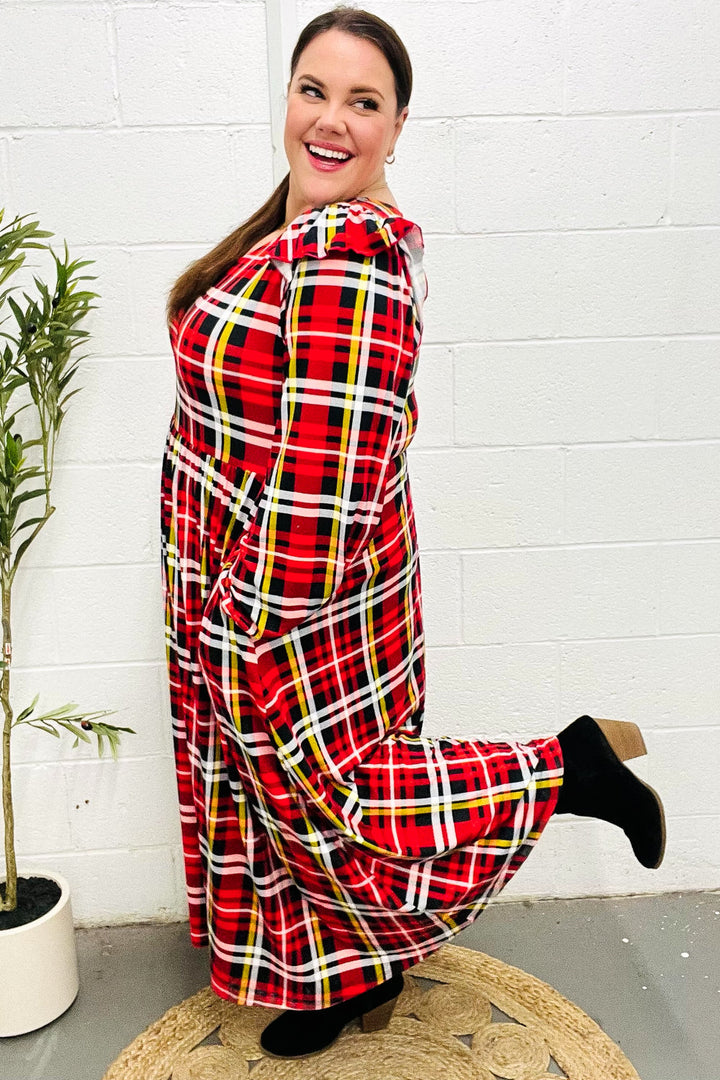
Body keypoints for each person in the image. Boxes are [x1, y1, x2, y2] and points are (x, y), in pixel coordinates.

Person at [160, 4, 665, 1061]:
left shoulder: (350, 255)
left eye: (363, 102)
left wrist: (246, 621)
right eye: (313, 90)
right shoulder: (292, 232)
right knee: (296, 809)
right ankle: (352, 976)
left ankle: (564, 768)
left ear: (397, 127)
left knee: (340, 802)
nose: (330, 119)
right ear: (286, 97)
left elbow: (331, 476)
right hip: (272, 581)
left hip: (294, 600)